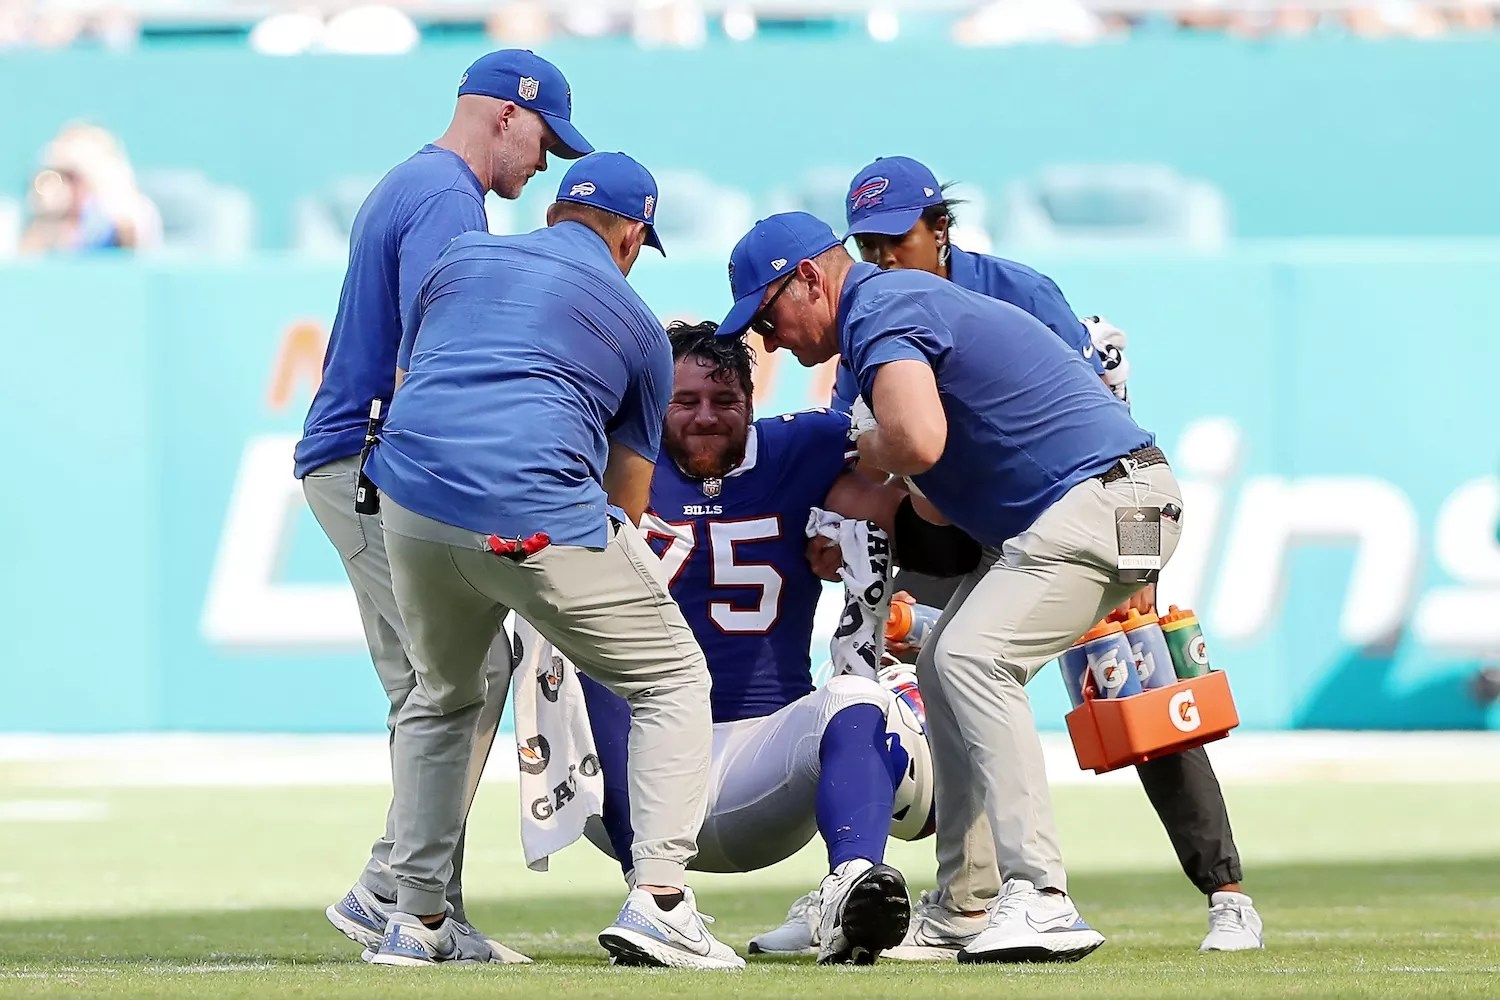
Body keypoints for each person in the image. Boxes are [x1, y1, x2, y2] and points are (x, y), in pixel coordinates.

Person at [717, 210, 1187, 964]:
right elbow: (934, 492)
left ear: (809, 278)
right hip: (1104, 503)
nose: (769, 340)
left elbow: (915, 441)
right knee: (943, 667)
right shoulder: (894, 309)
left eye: (768, 317)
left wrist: (861, 446)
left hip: (1109, 500)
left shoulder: (879, 309)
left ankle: (1042, 895)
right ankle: (966, 904)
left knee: (972, 658)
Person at [835, 155, 1264, 955]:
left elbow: (1094, 409)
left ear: (941, 228)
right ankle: (955, 897)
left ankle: (1224, 892)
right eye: (869, 246)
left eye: (898, 238)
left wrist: (1142, 566)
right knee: (932, 674)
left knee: (1140, 695)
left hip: (1072, 501)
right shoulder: (872, 315)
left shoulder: (1019, 291)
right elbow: (869, 449)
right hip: (962, 522)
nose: (886, 258)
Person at [360, 152, 740, 970]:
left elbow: (412, 384)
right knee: (673, 678)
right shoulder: (640, 326)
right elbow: (626, 506)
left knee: (444, 695)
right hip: (532, 516)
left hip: (410, 502)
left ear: (556, 212)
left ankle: (414, 919)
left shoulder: (459, 257)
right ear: (634, 235)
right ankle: (663, 900)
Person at [293, 48, 592, 964]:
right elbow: (437, 348)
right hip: (374, 463)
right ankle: (399, 889)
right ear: (507, 114)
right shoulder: (446, 199)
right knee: (465, 676)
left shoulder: (415, 184)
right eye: (545, 138)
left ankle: (417, 902)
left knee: (439, 686)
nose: (545, 162)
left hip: (353, 457)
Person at [579, 321, 981, 964]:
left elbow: (919, 465)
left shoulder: (806, 446)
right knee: (571, 655)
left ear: (752, 401)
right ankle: (645, 898)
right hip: (630, 770)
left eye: (725, 401)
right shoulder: (610, 458)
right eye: (685, 402)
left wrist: (850, 523)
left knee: (866, 694)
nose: (706, 418)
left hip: (760, 764)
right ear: (656, 403)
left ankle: (851, 891)